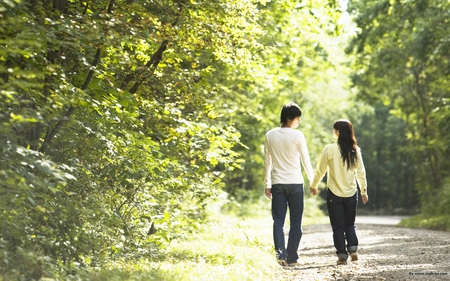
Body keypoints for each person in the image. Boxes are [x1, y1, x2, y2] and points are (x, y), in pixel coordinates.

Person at [309, 119, 369, 265]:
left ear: (338, 132)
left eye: (333, 129)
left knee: (338, 226)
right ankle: (353, 249)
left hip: (334, 194)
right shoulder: (355, 150)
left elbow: (320, 170)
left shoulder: (329, 149)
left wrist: (314, 185)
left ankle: (342, 254)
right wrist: (363, 191)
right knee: (350, 224)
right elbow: (361, 173)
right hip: (351, 193)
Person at [264, 102, 314, 266]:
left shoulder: (270, 135)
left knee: (278, 221)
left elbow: (267, 162)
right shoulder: (297, 135)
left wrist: (267, 183)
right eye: (297, 118)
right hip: (295, 184)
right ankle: (292, 258)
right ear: (289, 118)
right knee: (296, 222)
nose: (299, 121)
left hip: (278, 183)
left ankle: (281, 256)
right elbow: (305, 160)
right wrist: (313, 181)